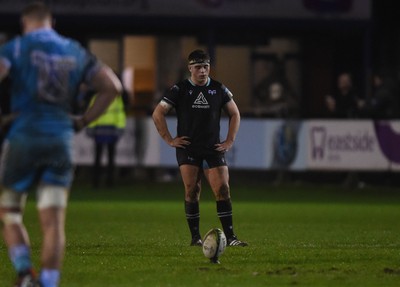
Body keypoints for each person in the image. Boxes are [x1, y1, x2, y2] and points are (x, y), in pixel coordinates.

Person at [0, 2, 121, 287]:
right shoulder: (74, 50)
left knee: (10, 212)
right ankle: (50, 282)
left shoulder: (16, 48)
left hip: (24, 137)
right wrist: (82, 121)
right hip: (60, 140)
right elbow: (112, 87)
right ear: (51, 22)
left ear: (24, 23)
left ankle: (24, 273)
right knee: (53, 222)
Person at [152, 49, 247, 247]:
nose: (203, 71)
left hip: (213, 148)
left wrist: (229, 141)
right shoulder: (179, 89)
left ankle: (231, 238)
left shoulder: (219, 89)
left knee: (222, 188)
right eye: (198, 67)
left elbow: (235, 114)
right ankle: (195, 237)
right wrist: (169, 139)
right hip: (188, 148)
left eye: (206, 67)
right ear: (190, 69)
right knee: (192, 190)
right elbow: (158, 114)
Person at [86, 90, 127, 188]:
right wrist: (120, 127)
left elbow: (119, 113)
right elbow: (120, 113)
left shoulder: (98, 97)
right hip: (107, 130)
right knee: (105, 157)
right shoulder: (115, 98)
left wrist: (91, 126)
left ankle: (103, 182)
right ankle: (104, 182)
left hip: (104, 129)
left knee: (103, 157)